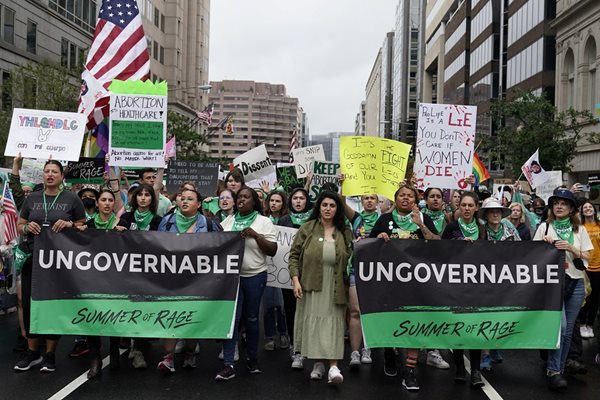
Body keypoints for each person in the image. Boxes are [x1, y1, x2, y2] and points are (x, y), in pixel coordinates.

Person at [14, 160, 86, 373]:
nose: (50, 175)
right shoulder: (33, 198)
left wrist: (70, 224)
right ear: (42, 175)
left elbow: (84, 224)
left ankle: (50, 355)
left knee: (52, 306)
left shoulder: (72, 199)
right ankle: (32, 352)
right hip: (32, 259)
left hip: (59, 262)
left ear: (62, 175)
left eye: (54, 171)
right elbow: (19, 225)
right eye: (46, 171)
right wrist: (27, 226)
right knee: (29, 305)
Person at [370, 183, 439, 391]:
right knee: (391, 320)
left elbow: (437, 243)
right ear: (396, 199)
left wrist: (422, 226)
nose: (406, 198)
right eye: (402, 195)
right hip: (390, 283)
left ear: (415, 200)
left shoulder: (423, 219)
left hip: (417, 283)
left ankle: (410, 371)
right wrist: (378, 239)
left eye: (410, 195)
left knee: (415, 324)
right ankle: (390, 352)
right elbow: (368, 247)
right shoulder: (384, 220)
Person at [289, 191, 353, 385]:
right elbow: (293, 255)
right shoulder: (307, 228)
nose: (328, 209)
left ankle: (333, 367)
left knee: (333, 323)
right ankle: (318, 363)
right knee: (315, 322)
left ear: (337, 209)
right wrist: (295, 280)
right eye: (324, 205)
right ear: (319, 207)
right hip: (312, 284)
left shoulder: (344, 231)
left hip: (335, 285)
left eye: (332, 206)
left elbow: (353, 256)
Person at [533, 188, 593, 391]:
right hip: (552, 284)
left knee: (568, 333)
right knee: (562, 328)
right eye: (556, 203)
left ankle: (558, 367)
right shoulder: (544, 227)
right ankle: (554, 371)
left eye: (564, 203)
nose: (559, 206)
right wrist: (544, 245)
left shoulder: (580, 230)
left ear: (571, 209)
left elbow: (587, 257)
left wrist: (570, 248)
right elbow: (532, 256)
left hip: (575, 282)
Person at [215, 186, 277, 381]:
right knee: (232, 319)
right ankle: (228, 364)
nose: (242, 200)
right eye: (239, 197)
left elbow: (273, 250)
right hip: (231, 278)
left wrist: (256, 236)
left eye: (246, 197)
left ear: (254, 202)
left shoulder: (264, 222)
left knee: (251, 319)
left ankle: (252, 358)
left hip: (255, 276)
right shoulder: (228, 222)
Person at [156, 189, 219, 374]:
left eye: (190, 199)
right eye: (182, 198)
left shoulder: (208, 223)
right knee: (170, 317)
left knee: (192, 319)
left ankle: (190, 353)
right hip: (171, 279)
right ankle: (168, 358)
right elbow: (156, 245)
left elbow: (222, 244)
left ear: (198, 204)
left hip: (198, 280)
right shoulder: (167, 222)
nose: (184, 201)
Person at [116, 183, 163, 369]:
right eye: (140, 195)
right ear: (134, 198)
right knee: (128, 307)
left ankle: (139, 350)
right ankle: (131, 343)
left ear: (152, 199)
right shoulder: (126, 218)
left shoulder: (159, 220)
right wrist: (117, 231)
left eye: (147, 195)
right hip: (127, 271)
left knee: (143, 309)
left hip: (149, 273)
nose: (143, 198)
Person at [441, 192, 486, 387]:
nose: (466, 208)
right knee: (457, 325)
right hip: (455, 284)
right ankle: (459, 366)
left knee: (475, 326)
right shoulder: (452, 228)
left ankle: (475, 370)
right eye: (463, 205)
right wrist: (457, 245)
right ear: (459, 207)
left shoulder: (483, 230)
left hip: (477, 285)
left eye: (470, 205)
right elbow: (439, 252)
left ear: (476, 208)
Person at [77, 188, 122, 378]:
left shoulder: (122, 223)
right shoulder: (87, 225)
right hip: (93, 279)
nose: (106, 203)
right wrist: (77, 232)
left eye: (110, 200)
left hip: (117, 278)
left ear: (114, 204)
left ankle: (114, 352)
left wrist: (124, 233)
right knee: (92, 317)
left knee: (114, 315)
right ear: (97, 203)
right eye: (103, 200)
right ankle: (95, 359)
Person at [341, 193, 379, 369]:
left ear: (378, 202)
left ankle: (368, 348)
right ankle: (355, 352)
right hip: (356, 269)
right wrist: (344, 185)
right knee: (355, 310)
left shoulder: (384, 219)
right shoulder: (356, 218)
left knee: (371, 312)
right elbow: (341, 202)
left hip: (378, 272)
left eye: (373, 198)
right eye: (366, 198)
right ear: (361, 202)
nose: (369, 201)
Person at [277, 186, 313, 369]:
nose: (298, 201)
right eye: (295, 198)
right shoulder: (283, 220)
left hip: (311, 272)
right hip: (288, 274)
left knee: (310, 310)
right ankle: (295, 345)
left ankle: (308, 345)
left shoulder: (315, 221)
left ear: (307, 201)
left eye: (302, 198)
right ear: (290, 201)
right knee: (291, 310)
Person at [421, 187, 451, 369]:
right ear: (425, 199)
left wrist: (472, 186)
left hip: (444, 268)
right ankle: (428, 348)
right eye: (431, 196)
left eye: (438, 197)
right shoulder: (417, 216)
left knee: (439, 309)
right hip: (421, 267)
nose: (435, 199)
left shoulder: (449, 218)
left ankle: (433, 350)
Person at [262, 190, 289, 351]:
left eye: (278, 201)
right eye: (271, 200)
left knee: (282, 303)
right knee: (268, 303)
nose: (274, 203)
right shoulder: (263, 220)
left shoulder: (287, 220)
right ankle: (270, 336)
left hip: (284, 267)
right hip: (266, 265)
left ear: (283, 204)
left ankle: (284, 333)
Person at [579, 201, 600, 339]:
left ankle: (590, 325)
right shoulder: (579, 227)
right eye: (585, 207)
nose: (587, 209)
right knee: (584, 297)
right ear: (582, 212)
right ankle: (581, 324)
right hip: (584, 267)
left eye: (590, 207)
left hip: (598, 267)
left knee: (595, 298)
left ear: (594, 210)